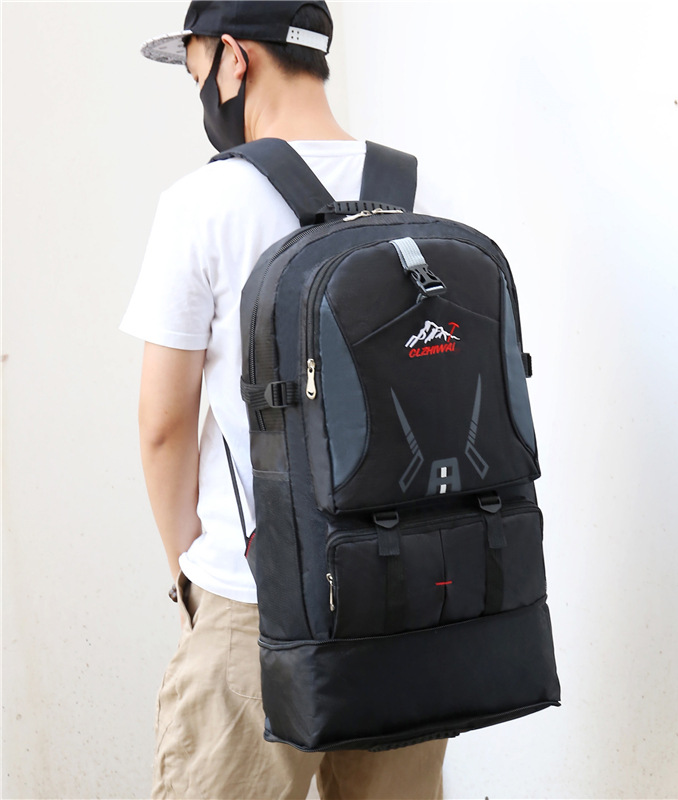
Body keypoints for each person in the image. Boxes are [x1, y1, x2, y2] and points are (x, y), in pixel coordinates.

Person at [121, 3, 447, 798]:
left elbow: (164, 425)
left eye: (196, 70)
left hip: (256, 602)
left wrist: (192, 581)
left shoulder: (202, 205)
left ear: (235, 60)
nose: (201, 91)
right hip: (407, 603)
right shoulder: (419, 189)